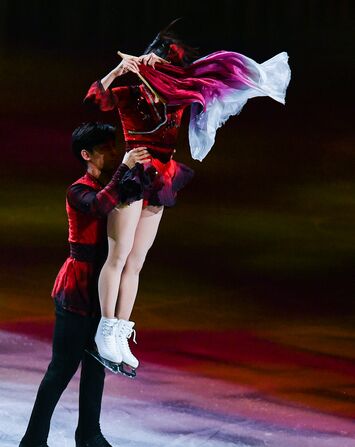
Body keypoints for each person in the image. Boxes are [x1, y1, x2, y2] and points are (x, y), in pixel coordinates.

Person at [85, 21, 291, 372]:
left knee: (137, 260)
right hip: (135, 172)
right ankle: (105, 329)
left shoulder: (178, 96)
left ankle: (120, 330)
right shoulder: (129, 89)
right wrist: (119, 69)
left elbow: (219, 88)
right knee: (118, 255)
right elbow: (94, 100)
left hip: (161, 176)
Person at [13, 122, 150, 447]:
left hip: (100, 287)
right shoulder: (79, 189)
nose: (113, 152)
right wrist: (125, 168)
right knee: (62, 368)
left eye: (113, 146)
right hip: (78, 286)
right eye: (105, 148)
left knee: (97, 363)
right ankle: (32, 444)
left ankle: (88, 434)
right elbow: (101, 206)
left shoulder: (115, 183)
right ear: (87, 155)